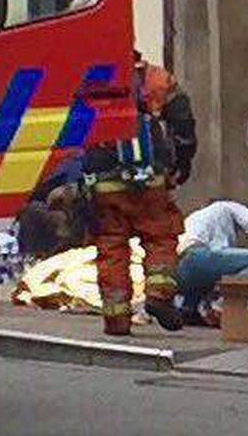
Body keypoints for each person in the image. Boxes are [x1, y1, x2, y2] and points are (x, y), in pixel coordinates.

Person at [84, 55, 197, 336]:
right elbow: (182, 119)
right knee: (160, 237)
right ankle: (159, 294)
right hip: (149, 178)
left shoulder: (83, 78)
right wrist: (183, 160)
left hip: (103, 179)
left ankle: (116, 318)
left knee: (111, 247)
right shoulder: (153, 78)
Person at [175, 200, 248, 322]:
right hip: (197, 257)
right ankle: (222, 304)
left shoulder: (195, 217)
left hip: (177, 271)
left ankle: (189, 309)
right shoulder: (228, 206)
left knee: (214, 273)